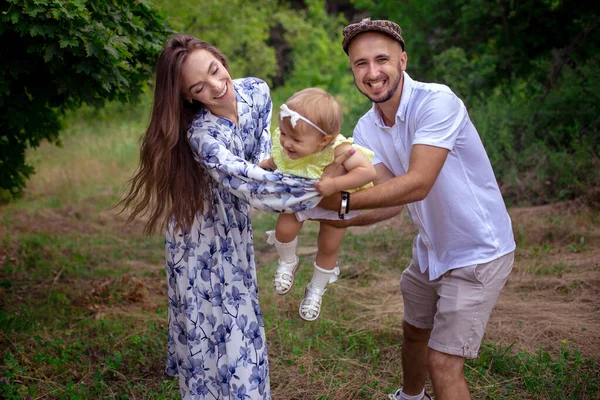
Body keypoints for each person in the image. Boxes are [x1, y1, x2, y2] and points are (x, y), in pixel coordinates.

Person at [318, 18, 516, 400]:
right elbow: (389, 202)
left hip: (478, 251)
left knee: (443, 362)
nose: (373, 73)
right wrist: (323, 214)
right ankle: (410, 397)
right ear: (353, 71)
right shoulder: (366, 128)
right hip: (431, 249)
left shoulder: (436, 102)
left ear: (402, 60)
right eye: (361, 64)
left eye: (382, 60)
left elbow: (417, 182)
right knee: (413, 331)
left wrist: (341, 199)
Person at [120, 34, 325, 400]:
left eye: (216, 70)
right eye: (200, 86)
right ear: (188, 96)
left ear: (220, 57)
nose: (217, 87)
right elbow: (246, 182)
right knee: (207, 340)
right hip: (196, 240)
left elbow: (265, 153)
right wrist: (323, 189)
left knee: (241, 330)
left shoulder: (257, 92)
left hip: (234, 231)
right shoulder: (201, 133)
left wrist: (315, 165)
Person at [258, 88, 376, 321]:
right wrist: (264, 165)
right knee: (284, 229)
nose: (286, 143)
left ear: (324, 140)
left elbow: (367, 171)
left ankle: (316, 289)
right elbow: (279, 159)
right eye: (283, 134)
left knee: (329, 245)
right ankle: (288, 260)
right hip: (302, 197)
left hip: (333, 199)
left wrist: (335, 183)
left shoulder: (340, 149)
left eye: (295, 139)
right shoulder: (285, 145)